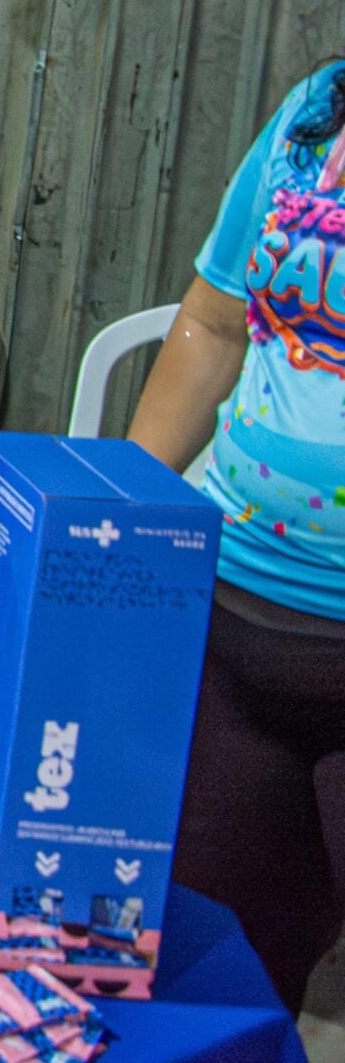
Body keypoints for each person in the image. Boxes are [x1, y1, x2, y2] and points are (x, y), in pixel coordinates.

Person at [127, 60, 345, 1014]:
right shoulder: (313, 113)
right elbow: (215, 323)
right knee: (225, 989)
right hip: (232, 634)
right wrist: (121, 510)